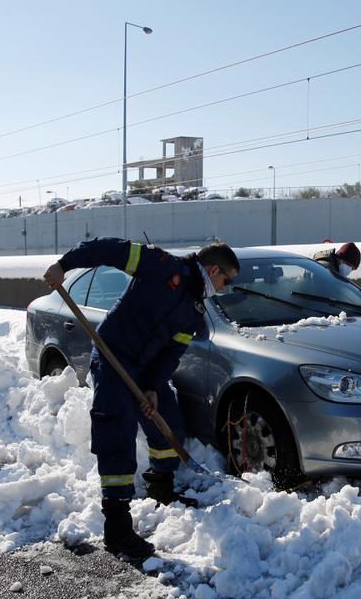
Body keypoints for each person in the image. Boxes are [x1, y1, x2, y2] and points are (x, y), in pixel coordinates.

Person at [43, 238, 239, 558]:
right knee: (116, 431)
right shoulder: (160, 266)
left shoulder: (194, 307)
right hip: (113, 356)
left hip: (145, 368)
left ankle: (161, 487)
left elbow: (172, 352)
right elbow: (108, 249)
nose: (226, 288)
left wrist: (152, 386)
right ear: (213, 269)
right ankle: (117, 527)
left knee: (168, 423)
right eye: (226, 280)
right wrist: (64, 265)